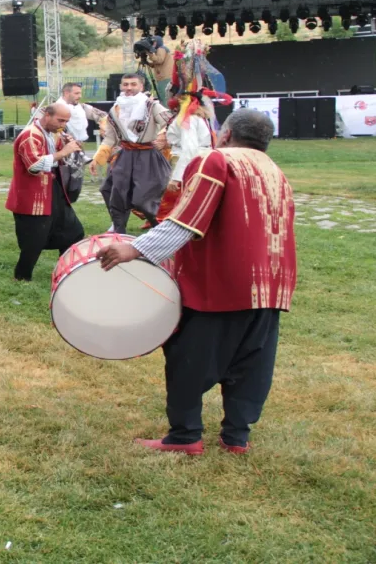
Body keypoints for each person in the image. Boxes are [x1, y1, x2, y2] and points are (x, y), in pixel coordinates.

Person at [96, 108, 296, 455]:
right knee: (251, 363)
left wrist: (137, 250)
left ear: (226, 133)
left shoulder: (216, 161)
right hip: (271, 285)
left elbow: (189, 220)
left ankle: (186, 435)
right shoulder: (275, 171)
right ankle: (236, 437)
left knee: (189, 358)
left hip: (222, 283)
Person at [6, 103, 86, 281]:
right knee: (34, 240)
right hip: (32, 195)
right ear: (47, 115)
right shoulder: (30, 134)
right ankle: (21, 277)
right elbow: (34, 166)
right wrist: (63, 151)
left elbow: (54, 159)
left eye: (66, 121)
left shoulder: (50, 133)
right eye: (60, 120)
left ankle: (64, 270)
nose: (63, 125)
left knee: (73, 232)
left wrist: (66, 149)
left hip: (52, 190)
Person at [90, 73, 172, 232]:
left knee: (143, 200)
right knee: (116, 198)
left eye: (133, 84)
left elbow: (171, 123)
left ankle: (160, 229)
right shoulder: (116, 109)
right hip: (125, 155)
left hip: (148, 157)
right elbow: (110, 138)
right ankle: (119, 233)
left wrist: (163, 138)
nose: (128, 88)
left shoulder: (151, 106)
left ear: (141, 87)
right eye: (125, 84)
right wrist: (97, 159)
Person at [157, 96, 216, 221]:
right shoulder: (199, 117)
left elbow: (189, 149)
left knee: (188, 198)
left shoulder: (188, 119)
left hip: (191, 161)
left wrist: (176, 178)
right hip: (201, 157)